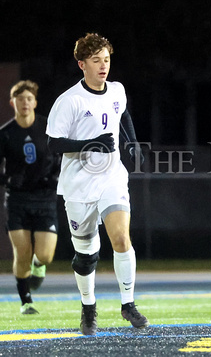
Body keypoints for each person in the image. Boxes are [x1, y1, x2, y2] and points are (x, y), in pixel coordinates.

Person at [46, 33, 148, 335]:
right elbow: (53, 144)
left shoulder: (117, 90)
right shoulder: (70, 101)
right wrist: (90, 143)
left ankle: (128, 304)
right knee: (86, 257)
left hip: (111, 178)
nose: (103, 66)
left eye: (106, 59)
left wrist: (132, 142)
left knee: (120, 238)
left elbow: (124, 112)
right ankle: (88, 308)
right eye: (96, 60)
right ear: (82, 64)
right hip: (78, 186)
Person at [0, 80, 60, 315]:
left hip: (44, 198)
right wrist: (7, 180)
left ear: (35, 102)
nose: (24, 103)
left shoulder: (48, 127)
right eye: (20, 98)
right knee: (22, 253)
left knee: (44, 255)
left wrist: (54, 177)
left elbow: (61, 155)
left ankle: (39, 266)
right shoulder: (5, 134)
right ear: (12, 102)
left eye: (29, 98)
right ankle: (26, 300)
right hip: (17, 200)